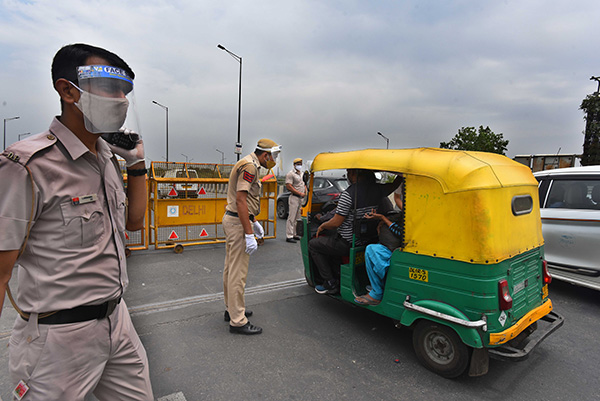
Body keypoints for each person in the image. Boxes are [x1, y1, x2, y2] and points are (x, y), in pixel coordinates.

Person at [0, 44, 153, 400]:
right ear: (68, 90)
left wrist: (136, 166)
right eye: (107, 89)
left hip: (118, 321)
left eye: (124, 91)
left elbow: (133, 224)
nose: (121, 100)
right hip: (59, 338)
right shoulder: (26, 165)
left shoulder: (107, 159)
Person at [309, 169, 402, 295]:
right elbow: (395, 184)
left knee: (313, 245)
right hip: (369, 239)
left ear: (354, 174)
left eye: (349, 172)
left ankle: (330, 282)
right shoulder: (378, 189)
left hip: (348, 243)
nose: (348, 175)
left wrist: (323, 226)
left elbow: (336, 222)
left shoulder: (348, 195)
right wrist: (401, 172)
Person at [222, 138, 281, 335]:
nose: (273, 161)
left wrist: (253, 221)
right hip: (237, 223)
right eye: (272, 157)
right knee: (238, 273)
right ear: (265, 155)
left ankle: (231, 309)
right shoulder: (250, 166)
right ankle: (237, 321)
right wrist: (249, 233)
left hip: (235, 220)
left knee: (230, 269)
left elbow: (245, 200)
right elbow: (241, 200)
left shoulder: (247, 162)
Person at [354, 185, 404, 305]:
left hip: (401, 249)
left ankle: (377, 292)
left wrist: (383, 219)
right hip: (396, 246)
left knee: (371, 250)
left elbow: (401, 233)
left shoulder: (412, 215)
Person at [285, 157, 307, 243]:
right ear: (294, 165)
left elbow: (304, 183)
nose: (299, 166)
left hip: (301, 198)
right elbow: (288, 186)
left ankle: (294, 234)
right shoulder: (290, 174)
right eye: (298, 164)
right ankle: (289, 235)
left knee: (298, 218)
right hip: (294, 197)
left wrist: (305, 191)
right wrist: (299, 193)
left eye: (300, 164)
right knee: (292, 217)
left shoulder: (302, 174)